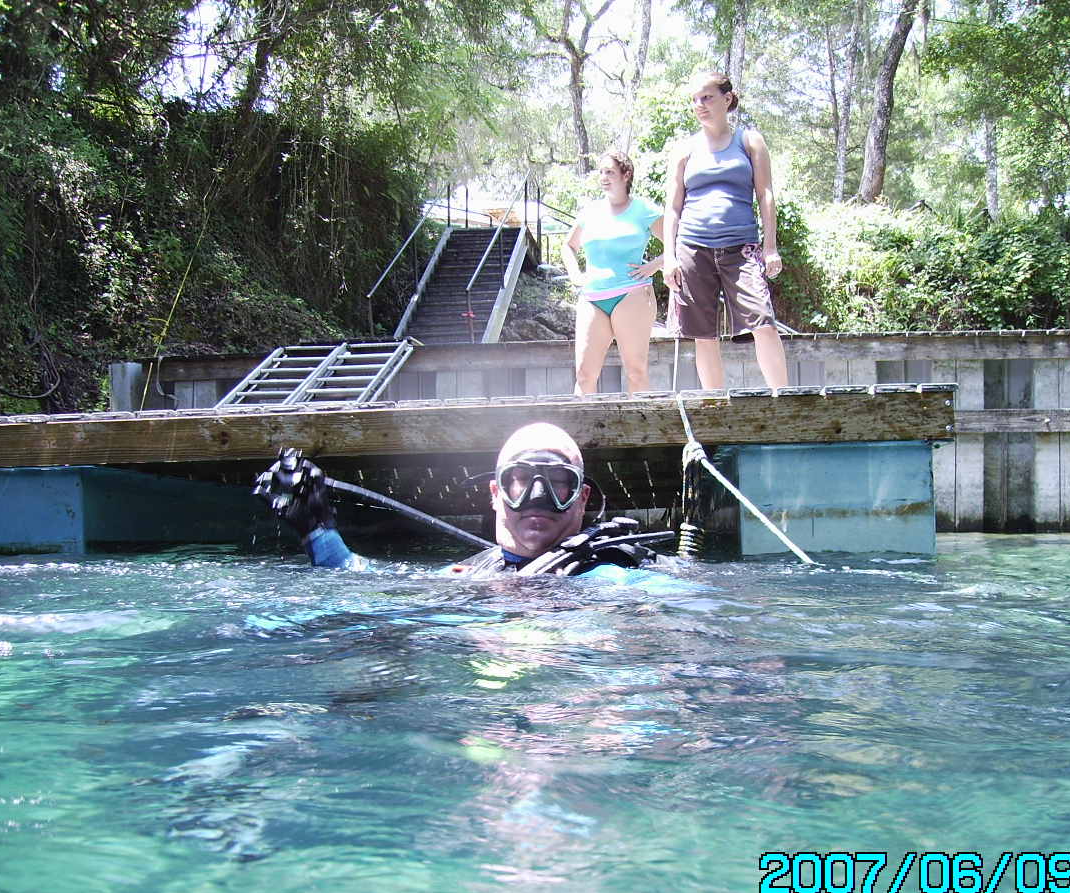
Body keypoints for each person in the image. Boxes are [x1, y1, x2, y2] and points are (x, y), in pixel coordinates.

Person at [254, 422, 668, 578]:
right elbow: (364, 579)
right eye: (519, 481)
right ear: (495, 494)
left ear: (582, 499)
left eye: (557, 483)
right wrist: (318, 531)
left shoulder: (618, 574)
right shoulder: (467, 576)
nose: (535, 499)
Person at [662, 72, 789, 391]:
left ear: (727, 99)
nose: (700, 105)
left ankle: (783, 398)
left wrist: (769, 246)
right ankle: (715, 404)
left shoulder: (749, 141)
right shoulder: (684, 149)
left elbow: (765, 194)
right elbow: (673, 206)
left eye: (707, 97)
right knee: (703, 333)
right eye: (695, 100)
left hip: (741, 248)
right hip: (692, 247)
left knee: (762, 320)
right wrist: (668, 256)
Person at [561, 152, 665, 396]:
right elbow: (568, 246)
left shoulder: (644, 209)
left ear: (625, 175)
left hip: (632, 295)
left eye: (609, 172)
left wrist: (655, 265)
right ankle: (586, 433)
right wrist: (576, 276)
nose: (603, 177)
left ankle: (641, 432)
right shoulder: (590, 212)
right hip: (592, 298)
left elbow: (678, 241)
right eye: (601, 172)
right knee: (585, 375)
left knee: (635, 372)